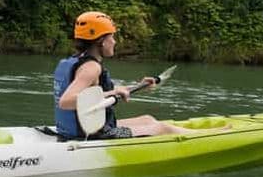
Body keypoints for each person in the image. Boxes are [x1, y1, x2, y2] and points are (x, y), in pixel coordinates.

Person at [54, 11, 225, 140]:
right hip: (92, 134)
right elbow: (66, 102)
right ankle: (210, 136)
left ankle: (202, 133)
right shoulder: (91, 67)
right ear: (101, 41)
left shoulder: (75, 61)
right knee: (161, 128)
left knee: (147, 118)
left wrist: (137, 86)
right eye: (112, 37)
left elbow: (94, 94)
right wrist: (112, 93)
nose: (115, 41)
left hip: (85, 127)